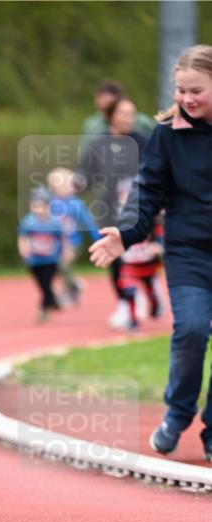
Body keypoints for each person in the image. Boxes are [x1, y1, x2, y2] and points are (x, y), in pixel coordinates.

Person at [90, 45, 212, 462]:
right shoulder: (166, 135)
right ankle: (178, 414)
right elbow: (147, 193)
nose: (187, 99)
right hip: (189, 253)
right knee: (192, 330)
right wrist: (123, 235)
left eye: (197, 90)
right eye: (181, 90)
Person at [77, 97, 148, 329]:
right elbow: (85, 175)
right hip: (109, 211)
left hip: (140, 209)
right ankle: (124, 304)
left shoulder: (144, 142)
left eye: (132, 114)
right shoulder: (98, 145)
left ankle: (147, 288)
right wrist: (75, 182)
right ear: (111, 116)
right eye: (124, 114)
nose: (129, 119)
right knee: (115, 257)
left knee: (143, 257)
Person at [47, 168, 99, 305]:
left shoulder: (76, 204)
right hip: (54, 244)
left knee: (63, 265)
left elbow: (88, 222)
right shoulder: (49, 203)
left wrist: (98, 239)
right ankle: (74, 288)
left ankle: (70, 290)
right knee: (58, 268)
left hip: (73, 243)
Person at [17, 188, 66, 323]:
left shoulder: (54, 223)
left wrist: (65, 252)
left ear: (47, 206)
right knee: (42, 284)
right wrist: (23, 249)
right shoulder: (28, 222)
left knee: (46, 283)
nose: (37, 209)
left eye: (40, 205)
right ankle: (53, 300)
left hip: (50, 260)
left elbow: (61, 238)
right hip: (34, 260)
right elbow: (22, 237)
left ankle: (43, 310)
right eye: (34, 205)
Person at [82, 79, 154, 142]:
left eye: (108, 102)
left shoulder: (142, 123)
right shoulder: (92, 124)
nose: (127, 120)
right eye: (101, 99)